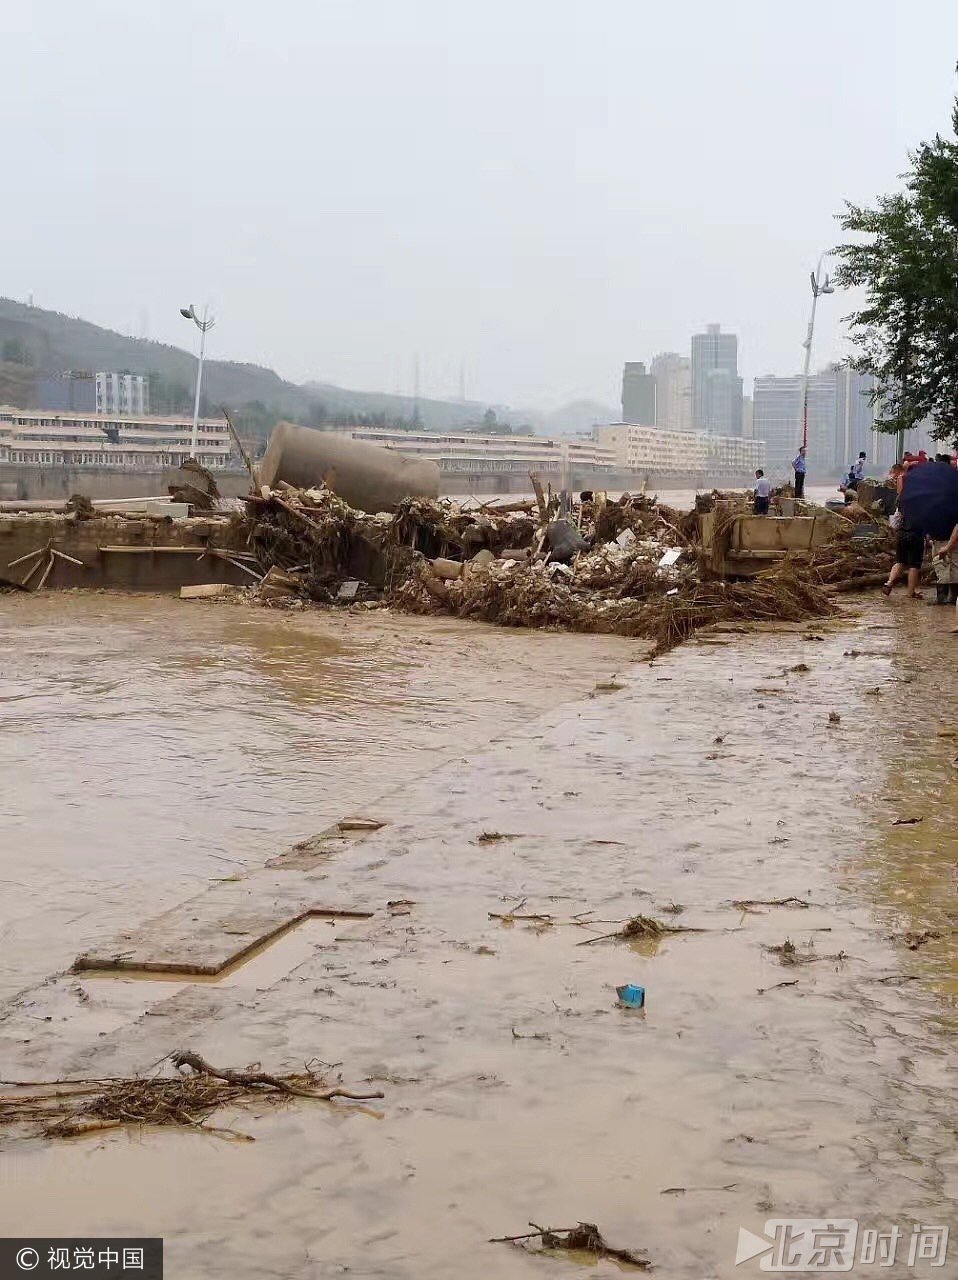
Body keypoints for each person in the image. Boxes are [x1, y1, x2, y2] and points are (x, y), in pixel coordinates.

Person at [883, 490, 925, 600]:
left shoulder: (902, 498)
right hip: (915, 534)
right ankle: (910, 592)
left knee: (900, 561)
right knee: (914, 565)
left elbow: (895, 520)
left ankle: (889, 583)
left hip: (901, 534)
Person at [930, 457, 958, 605]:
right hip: (940, 536)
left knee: (948, 568)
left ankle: (947, 599)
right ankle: (947, 598)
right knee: (946, 568)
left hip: (948, 537)